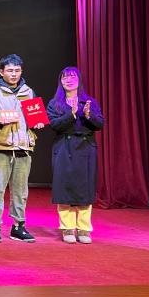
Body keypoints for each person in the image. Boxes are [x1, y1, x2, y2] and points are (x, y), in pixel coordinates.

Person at [0, 54, 39, 244]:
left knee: (21, 190)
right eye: (10, 70)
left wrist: (37, 124)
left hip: (23, 146)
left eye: (17, 70)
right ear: (1, 72)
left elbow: (35, 117)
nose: (14, 74)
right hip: (1, 146)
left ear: (21, 71)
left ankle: (18, 226)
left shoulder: (29, 92)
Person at [47, 67, 105, 244]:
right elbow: (54, 125)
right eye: (65, 77)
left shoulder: (89, 101)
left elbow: (100, 124)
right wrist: (71, 114)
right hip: (64, 148)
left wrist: (88, 115)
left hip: (85, 149)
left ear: (79, 80)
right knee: (64, 188)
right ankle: (67, 227)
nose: (68, 80)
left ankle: (84, 229)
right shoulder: (55, 103)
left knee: (84, 189)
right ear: (60, 81)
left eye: (72, 77)